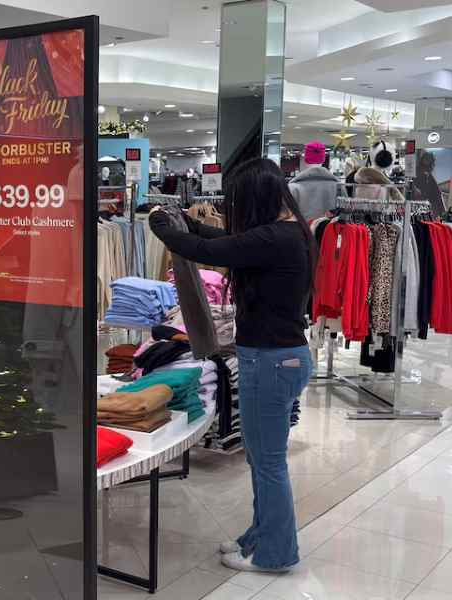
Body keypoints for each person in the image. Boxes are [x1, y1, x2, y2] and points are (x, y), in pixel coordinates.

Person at [149, 157, 316, 573]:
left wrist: (163, 229)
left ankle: (275, 552)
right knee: (263, 460)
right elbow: (224, 239)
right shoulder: (291, 232)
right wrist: (186, 225)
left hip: (271, 362)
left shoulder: (276, 238)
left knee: (269, 463)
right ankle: (260, 538)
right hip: (281, 357)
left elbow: (211, 249)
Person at [289, 140, 338, 220]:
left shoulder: (293, 187)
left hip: (299, 231)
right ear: (323, 159)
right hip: (331, 231)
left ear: (305, 159)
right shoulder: (338, 186)